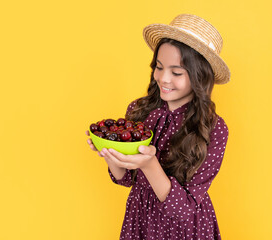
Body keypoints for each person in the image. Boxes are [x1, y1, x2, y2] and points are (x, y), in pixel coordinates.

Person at [86, 13, 230, 240]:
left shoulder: (213, 129)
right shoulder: (139, 110)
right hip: (140, 218)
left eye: (176, 72)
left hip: (185, 229)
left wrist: (150, 164)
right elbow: (125, 179)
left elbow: (183, 209)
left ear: (199, 76)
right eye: (159, 67)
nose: (163, 78)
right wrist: (110, 153)